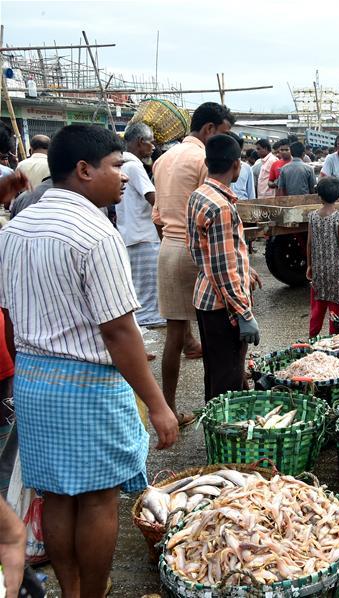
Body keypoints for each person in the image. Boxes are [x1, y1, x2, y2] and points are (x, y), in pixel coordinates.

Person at [0, 124, 178, 596]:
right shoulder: (96, 234)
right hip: (88, 382)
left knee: (56, 496)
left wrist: (27, 367)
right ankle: (92, 594)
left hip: (34, 378)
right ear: (83, 170)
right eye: (117, 166)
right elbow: (119, 331)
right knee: (98, 500)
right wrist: (157, 404)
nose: (124, 176)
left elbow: (10, 316)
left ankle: (72, 589)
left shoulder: (15, 229)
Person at [153, 101, 233, 426]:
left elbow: (156, 216)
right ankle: (216, 409)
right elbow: (210, 212)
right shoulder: (204, 159)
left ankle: (169, 409)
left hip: (167, 249)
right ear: (210, 129)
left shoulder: (162, 159)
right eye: (223, 134)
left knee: (175, 335)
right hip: (196, 250)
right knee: (213, 330)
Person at [187, 134, 259, 403]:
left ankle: (215, 432)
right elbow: (222, 269)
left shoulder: (199, 195)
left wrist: (246, 270)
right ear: (237, 165)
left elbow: (199, 251)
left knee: (215, 373)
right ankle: (226, 437)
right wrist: (243, 313)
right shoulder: (221, 207)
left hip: (205, 297)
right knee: (228, 380)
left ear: (207, 163)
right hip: (222, 306)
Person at [115, 122, 166, 329]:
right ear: (139, 142)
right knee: (148, 290)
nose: (153, 147)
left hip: (130, 234)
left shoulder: (122, 164)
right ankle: (147, 325)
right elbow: (153, 198)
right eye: (151, 142)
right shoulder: (134, 166)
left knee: (140, 287)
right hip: (143, 236)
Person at [306, 177, 339, 337]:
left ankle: (313, 337)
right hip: (335, 269)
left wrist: (310, 265)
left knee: (318, 306)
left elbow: (309, 243)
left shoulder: (312, 216)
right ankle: (334, 337)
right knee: (336, 306)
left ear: (319, 195)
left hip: (319, 268)